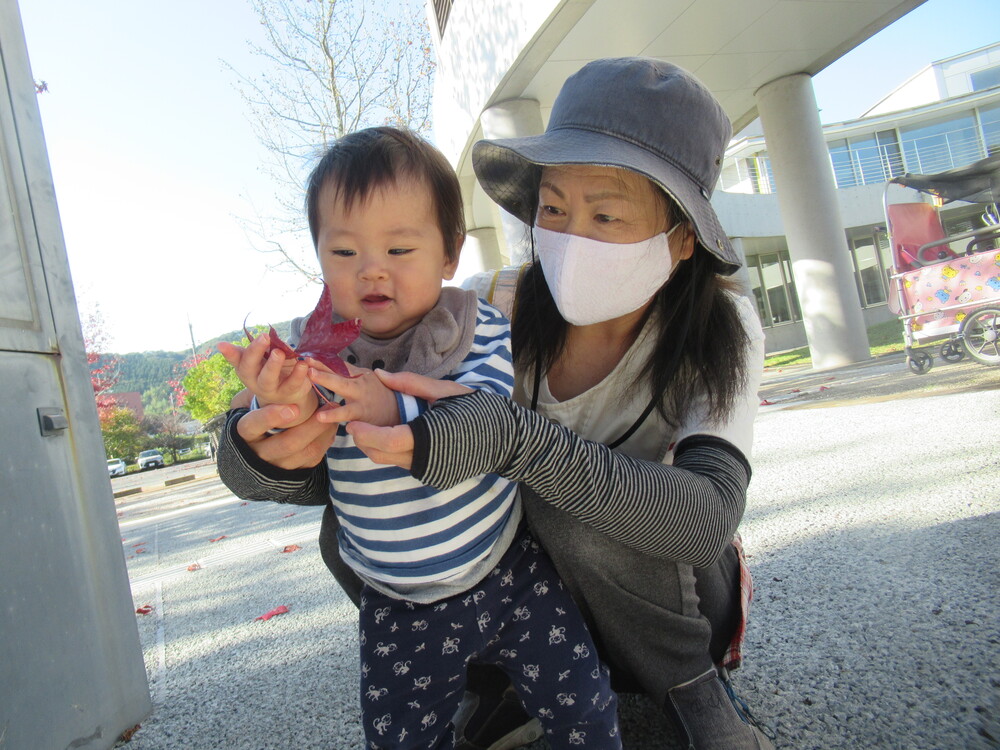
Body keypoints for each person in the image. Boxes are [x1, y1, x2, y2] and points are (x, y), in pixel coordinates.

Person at [221, 58, 773, 750]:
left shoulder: (721, 332)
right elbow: (350, 434)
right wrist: (260, 448)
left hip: (676, 595)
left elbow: (705, 518)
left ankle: (690, 689)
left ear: (682, 237)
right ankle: (493, 680)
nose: (572, 237)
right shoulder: (486, 307)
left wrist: (514, 442)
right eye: (553, 208)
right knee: (354, 526)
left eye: (605, 214)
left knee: (563, 501)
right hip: (533, 599)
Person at [218, 126, 620, 750]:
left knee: (584, 707)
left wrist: (391, 404)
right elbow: (269, 439)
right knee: (401, 737)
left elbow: (489, 416)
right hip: (395, 600)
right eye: (344, 253)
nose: (371, 270)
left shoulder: (475, 325)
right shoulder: (311, 349)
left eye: (400, 250)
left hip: (508, 569)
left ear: (450, 253)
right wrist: (279, 403)